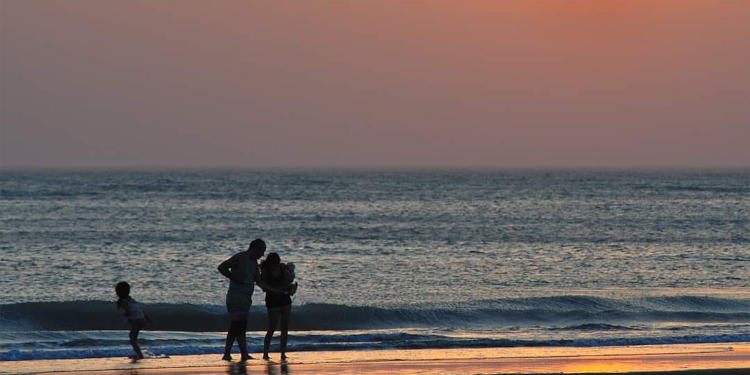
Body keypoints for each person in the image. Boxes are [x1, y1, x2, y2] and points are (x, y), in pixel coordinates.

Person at [218, 239, 274, 362]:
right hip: (235, 297)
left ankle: (228, 354)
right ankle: (243, 354)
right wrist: (233, 276)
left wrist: (275, 290)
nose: (262, 254)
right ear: (255, 248)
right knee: (239, 326)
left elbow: (259, 282)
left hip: (246, 299)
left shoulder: (254, 263)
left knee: (236, 327)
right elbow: (221, 267)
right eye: (262, 251)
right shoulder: (240, 257)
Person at [260, 252, 297, 361]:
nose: (275, 265)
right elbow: (263, 286)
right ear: (270, 262)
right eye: (273, 264)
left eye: (277, 263)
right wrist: (275, 289)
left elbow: (289, 280)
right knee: (271, 327)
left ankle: (283, 352)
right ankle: (265, 353)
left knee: (285, 327)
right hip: (272, 299)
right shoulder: (266, 271)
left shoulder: (282, 268)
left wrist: (290, 285)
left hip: (285, 298)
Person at [115, 281, 150, 360]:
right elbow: (138, 309)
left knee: (132, 338)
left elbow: (126, 309)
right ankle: (138, 354)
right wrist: (147, 318)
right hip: (141, 319)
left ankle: (140, 355)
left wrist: (126, 315)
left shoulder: (122, 301)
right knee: (133, 338)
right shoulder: (130, 299)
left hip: (137, 320)